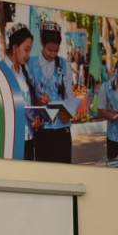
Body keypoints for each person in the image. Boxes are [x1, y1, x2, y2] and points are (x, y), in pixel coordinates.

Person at [27, 21, 80, 163]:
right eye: (49, 50)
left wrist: (68, 113)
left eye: (56, 50)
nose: (53, 54)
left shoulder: (64, 64)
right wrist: (38, 102)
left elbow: (69, 95)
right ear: (42, 43)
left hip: (62, 131)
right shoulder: (30, 64)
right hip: (42, 131)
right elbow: (27, 96)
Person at [2, 22, 40, 160]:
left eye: (30, 50)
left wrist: (37, 117)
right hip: (11, 141)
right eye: (26, 49)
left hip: (28, 138)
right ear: (14, 48)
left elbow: (29, 104)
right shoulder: (2, 71)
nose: (28, 55)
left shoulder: (25, 71)